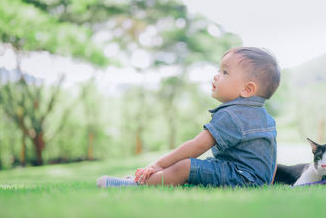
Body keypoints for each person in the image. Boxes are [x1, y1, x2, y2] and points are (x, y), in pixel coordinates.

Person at [97, 47, 280, 188]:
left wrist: (158, 164)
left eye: (225, 72)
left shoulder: (232, 115)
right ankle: (153, 180)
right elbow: (271, 158)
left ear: (247, 89)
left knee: (186, 166)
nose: (216, 76)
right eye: (219, 70)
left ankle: (138, 185)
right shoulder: (266, 118)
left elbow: (196, 146)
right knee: (203, 167)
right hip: (253, 180)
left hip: (241, 178)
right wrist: (267, 184)